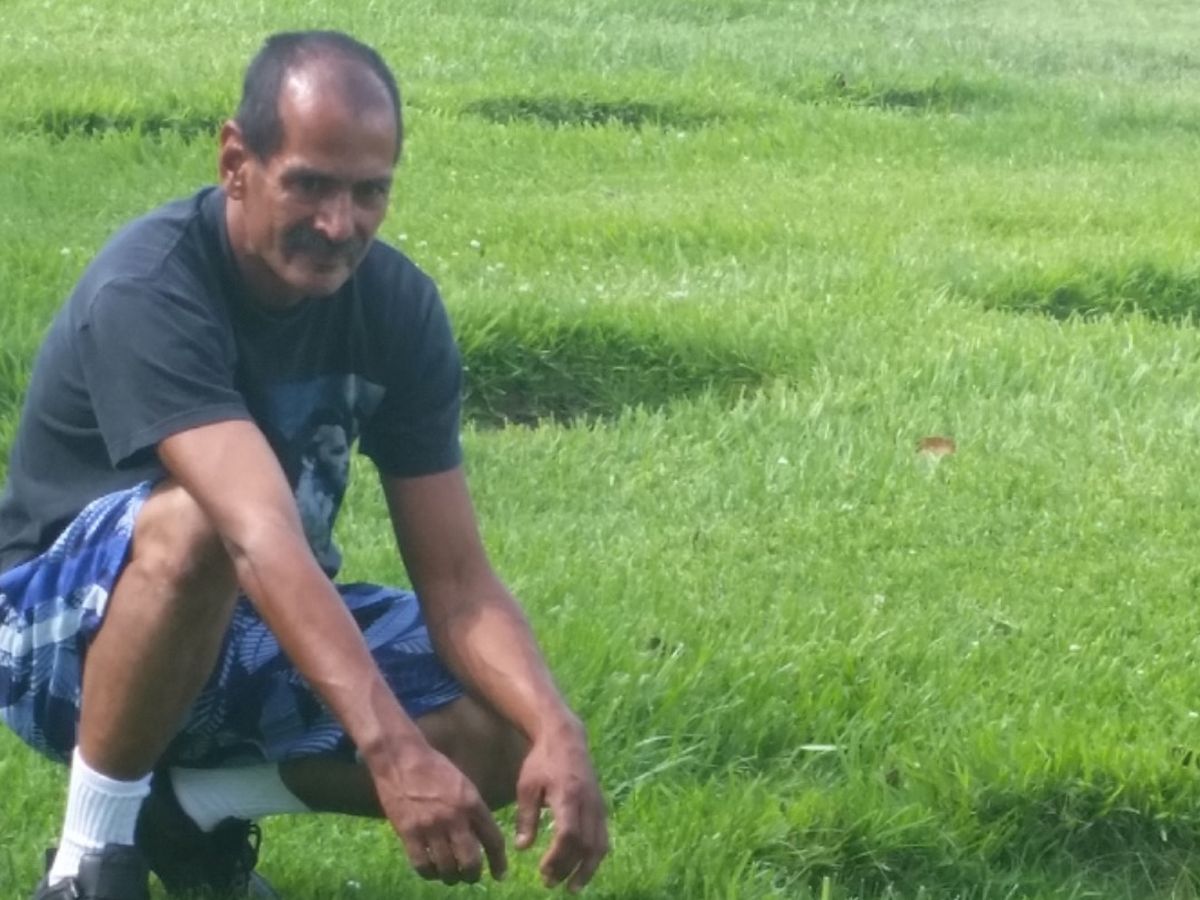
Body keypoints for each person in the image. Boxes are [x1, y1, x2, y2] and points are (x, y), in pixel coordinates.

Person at [0, 29, 609, 900]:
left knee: (505, 729)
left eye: (369, 192)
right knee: (205, 517)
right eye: (311, 185)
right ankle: (89, 863)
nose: (339, 224)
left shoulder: (396, 306)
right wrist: (391, 750)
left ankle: (185, 813)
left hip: (245, 615)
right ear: (235, 161)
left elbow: (458, 583)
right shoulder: (152, 286)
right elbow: (253, 533)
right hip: (51, 641)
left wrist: (556, 724)